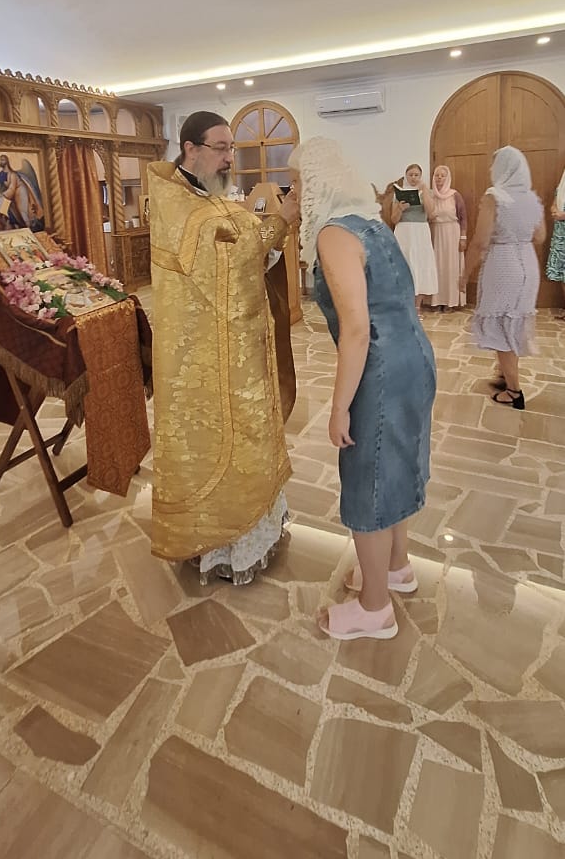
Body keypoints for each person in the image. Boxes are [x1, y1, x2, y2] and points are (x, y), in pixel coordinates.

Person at [289, 138, 436, 641]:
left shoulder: (334, 234)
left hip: (380, 368)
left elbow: (356, 329)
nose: (294, 193)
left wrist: (339, 408)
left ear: (318, 184)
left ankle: (375, 608)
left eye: (299, 183)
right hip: (414, 357)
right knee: (394, 468)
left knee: (367, 481)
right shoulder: (372, 224)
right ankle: (396, 568)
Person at [147, 111, 300, 584]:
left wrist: (268, 232)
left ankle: (255, 529)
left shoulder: (207, 194)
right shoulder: (175, 202)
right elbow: (226, 266)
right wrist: (278, 224)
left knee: (249, 436)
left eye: (232, 147)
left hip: (236, 346)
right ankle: (219, 543)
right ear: (190, 149)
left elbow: (244, 252)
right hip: (205, 357)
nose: (230, 157)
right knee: (219, 444)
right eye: (221, 148)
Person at [461, 146, 545, 409]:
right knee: (513, 322)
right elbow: (540, 236)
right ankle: (504, 374)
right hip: (528, 264)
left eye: (493, 164)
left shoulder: (494, 196)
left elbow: (480, 242)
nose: (490, 169)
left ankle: (513, 390)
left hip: (503, 265)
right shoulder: (531, 198)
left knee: (500, 325)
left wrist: (464, 274)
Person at [391, 163, 438, 311]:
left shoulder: (426, 192)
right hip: (404, 232)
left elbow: (431, 212)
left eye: (416, 175)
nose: (413, 178)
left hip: (420, 231)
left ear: (420, 176)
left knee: (421, 264)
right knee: (405, 264)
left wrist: (424, 191)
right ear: (406, 176)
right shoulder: (399, 194)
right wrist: (400, 208)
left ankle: (417, 306)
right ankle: (404, 306)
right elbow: (393, 219)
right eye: (410, 175)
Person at [429, 165, 468, 310]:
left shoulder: (454, 195)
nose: (439, 178)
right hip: (435, 232)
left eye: (442, 175)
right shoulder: (429, 195)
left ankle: (450, 301)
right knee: (436, 266)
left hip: (452, 233)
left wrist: (463, 237)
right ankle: (436, 300)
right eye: (437, 175)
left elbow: (463, 217)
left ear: (447, 178)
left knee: (451, 267)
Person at [546, 166, 565, 319]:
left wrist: (563, 215)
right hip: (560, 234)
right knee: (562, 273)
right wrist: (553, 208)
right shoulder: (563, 181)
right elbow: (556, 199)